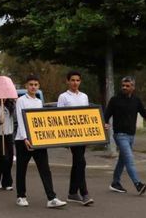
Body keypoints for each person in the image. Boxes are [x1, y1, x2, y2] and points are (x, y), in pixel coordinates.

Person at [104, 76, 146, 195]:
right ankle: (138, 184)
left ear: (133, 87)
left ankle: (115, 183)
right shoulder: (115, 100)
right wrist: (104, 124)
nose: (124, 88)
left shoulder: (136, 100)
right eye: (123, 85)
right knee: (129, 159)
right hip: (120, 135)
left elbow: (145, 113)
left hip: (131, 135)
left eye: (127, 86)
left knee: (123, 160)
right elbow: (106, 115)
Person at [15, 75, 67, 208]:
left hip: (38, 140)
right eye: (31, 84)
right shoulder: (20, 100)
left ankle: (51, 198)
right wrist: (25, 138)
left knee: (45, 168)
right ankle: (21, 196)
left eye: (36, 84)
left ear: (38, 86)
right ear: (26, 86)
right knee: (22, 169)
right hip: (23, 140)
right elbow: (21, 120)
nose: (33, 87)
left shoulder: (38, 102)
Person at [57, 71, 93, 206]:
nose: (75, 83)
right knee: (81, 162)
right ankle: (85, 193)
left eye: (77, 80)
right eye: (72, 80)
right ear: (67, 81)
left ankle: (72, 192)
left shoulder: (84, 96)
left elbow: (88, 115)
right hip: (71, 134)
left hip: (83, 134)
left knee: (78, 162)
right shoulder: (63, 97)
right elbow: (58, 116)